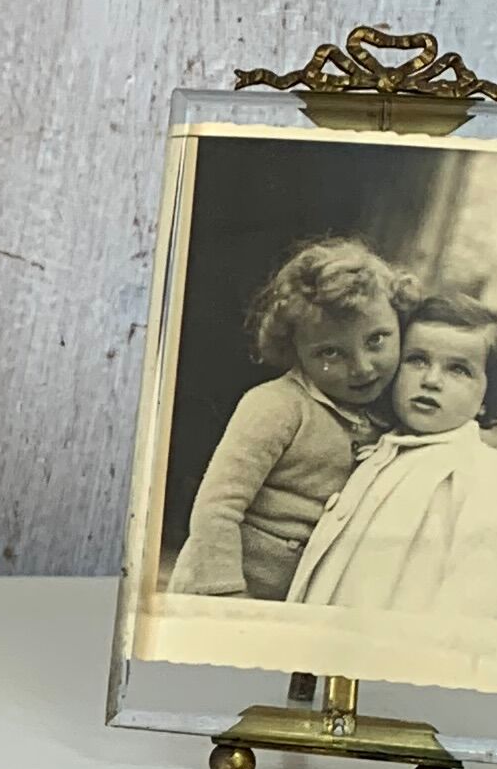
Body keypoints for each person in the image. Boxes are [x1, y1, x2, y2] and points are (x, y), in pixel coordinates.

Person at [169, 237, 404, 600]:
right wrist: (227, 596)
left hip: (301, 600)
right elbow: (217, 508)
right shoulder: (277, 406)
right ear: (292, 349)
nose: (362, 367)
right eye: (330, 353)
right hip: (224, 594)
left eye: (376, 340)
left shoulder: (389, 412)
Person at [287, 296, 497, 623]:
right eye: (416, 360)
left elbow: (481, 598)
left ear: (487, 397)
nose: (431, 380)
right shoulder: (376, 451)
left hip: (401, 647)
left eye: (458, 369)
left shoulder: (485, 472)